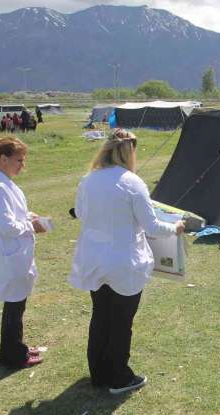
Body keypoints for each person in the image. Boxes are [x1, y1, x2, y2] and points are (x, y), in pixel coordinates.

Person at [69, 129, 185, 395]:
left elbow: (82, 214)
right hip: (123, 261)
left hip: (95, 259)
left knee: (101, 316)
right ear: (128, 151)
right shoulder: (132, 183)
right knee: (121, 321)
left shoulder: (88, 180)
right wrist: (175, 227)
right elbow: (152, 225)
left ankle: (99, 373)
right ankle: (119, 376)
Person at [0, 137, 48, 368]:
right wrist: (32, 226)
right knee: (14, 305)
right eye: (19, 160)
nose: (22, 165)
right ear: (3, 159)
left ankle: (16, 347)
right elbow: (7, 226)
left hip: (15, 252)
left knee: (17, 304)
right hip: (11, 254)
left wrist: (29, 216)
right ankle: (12, 356)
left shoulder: (4, 183)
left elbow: (13, 215)